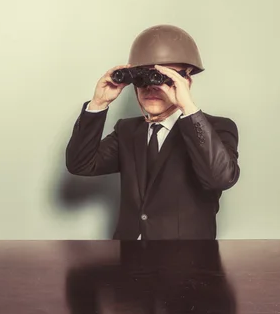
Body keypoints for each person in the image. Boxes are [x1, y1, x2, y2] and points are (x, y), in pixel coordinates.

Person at [65, 24, 240, 240]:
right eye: (142, 79)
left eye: (164, 79)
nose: (152, 87)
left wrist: (188, 107)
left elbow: (220, 179)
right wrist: (98, 103)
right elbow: (80, 164)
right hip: (130, 260)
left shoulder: (217, 128)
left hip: (188, 263)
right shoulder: (127, 131)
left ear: (186, 82)